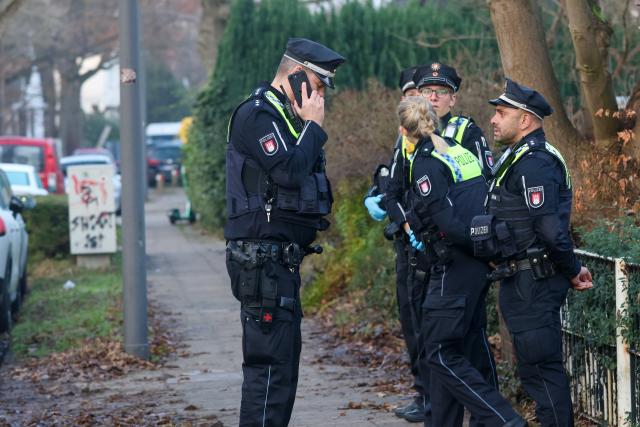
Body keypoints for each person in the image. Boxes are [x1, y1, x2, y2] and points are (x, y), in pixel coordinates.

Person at [224, 38, 345, 427]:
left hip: (278, 263)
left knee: (283, 371)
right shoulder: (258, 115)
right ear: (296, 76)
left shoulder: (285, 118)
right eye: (318, 84)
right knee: (269, 371)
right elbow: (288, 173)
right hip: (261, 262)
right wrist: (312, 126)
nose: (321, 95)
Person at [399, 96, 527, 427]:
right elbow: (481, 200)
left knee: (439, 351)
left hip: (453, 266)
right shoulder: (460, 152)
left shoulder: (427, 162)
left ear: (404, 130)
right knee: (467, 344)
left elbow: (449, 225)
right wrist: (487, 253)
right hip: (476, 265)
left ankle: (503, 419)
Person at [473, 79, 593, 426]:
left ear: (525, 119)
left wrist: (572, 269)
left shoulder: (536, 162)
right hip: (522, 278)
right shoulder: (519, 157)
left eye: (501, 113)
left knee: (542, 372)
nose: (494, 120)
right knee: (535, 372)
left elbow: (550, 229)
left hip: (535, 281)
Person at [364, 66, 431, 423]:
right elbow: (394, 180)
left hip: (423, 241)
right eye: (407, 94)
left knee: (424, 320)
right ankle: (422, 393)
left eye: (415, 93)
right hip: (405, 241)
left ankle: (433, 397)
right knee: (409, 318)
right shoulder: (402, 137)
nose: (410, 99)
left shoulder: (433, 138)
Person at [412, 62, 494, 177]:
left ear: (452, 100)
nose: (433, 97)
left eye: (441, 91)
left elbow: (486, 178)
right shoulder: (409, 132)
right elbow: (396, 188)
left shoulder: (468, 131)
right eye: (427, 91)